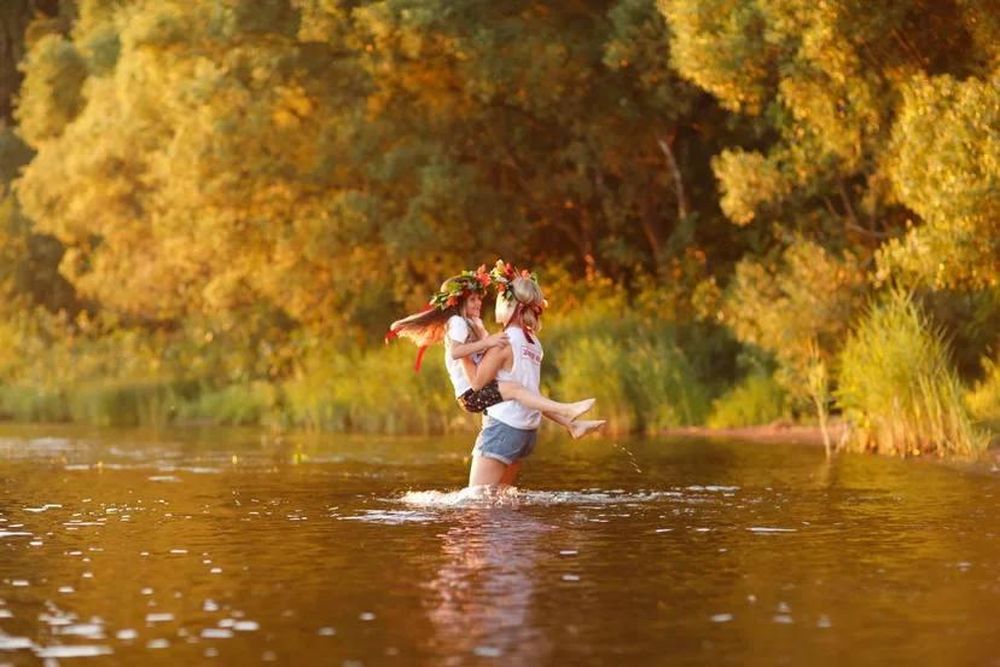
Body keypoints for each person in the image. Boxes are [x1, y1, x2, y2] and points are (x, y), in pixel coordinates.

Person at [387, 267, 600, 431]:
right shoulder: (457, 322)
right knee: (518, 389)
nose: (478, 303)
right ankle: (566, 410)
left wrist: (487, 338)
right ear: (458, 303)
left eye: (479, 298)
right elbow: (456, 352)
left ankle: (573, 426)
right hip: (469, 394)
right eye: (472, 299)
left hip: (479, 387)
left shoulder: (472, 323)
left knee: (527, 392)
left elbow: (488, 348)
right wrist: (487, 343)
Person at [466, 266, 598, 487]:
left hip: (503, 427)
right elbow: (531, 394)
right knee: (502, 504)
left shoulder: (504, 341)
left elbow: (477, 382)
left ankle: (568, 415)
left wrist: (461, 353)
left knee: (475, 506)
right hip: (525, 433)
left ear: (509, 305)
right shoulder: (534, 343)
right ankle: (570, 421)